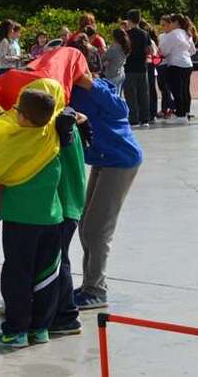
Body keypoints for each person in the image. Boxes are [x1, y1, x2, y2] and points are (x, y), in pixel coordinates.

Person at [0, 89, 61, 348]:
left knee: (17, 276)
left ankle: (16, 331)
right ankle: (40, 329)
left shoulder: (15, 140)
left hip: (20, 220)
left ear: (24, 117)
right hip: (51, 218)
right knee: (46, 275)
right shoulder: (53, 133)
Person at [70, 75, 143, 310]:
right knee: (86, 225)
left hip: (120, 160)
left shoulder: (95, 87)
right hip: (103, 159)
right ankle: (89, 284)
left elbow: (121, 110)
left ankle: (96, 290)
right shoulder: (66, 90)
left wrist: (90, 85)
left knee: (98, 229)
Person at [50, 111, 88, 336]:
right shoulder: (66, 119)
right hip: (69, 201)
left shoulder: (58, 126)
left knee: (58, 259)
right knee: (58, 257)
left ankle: (66, 316)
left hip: (62, 205)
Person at [159, 14, 197, 124]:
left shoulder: (173, 34)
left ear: (175, 22)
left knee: (177, 91)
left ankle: (180, 116)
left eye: (171, 22)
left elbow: (164, 51)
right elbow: (193, 51)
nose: (169, 24)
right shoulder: (186, 33)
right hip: (187, 64)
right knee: (185, 90)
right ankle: (185, 112)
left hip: (176, 64)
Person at [122, 9, 153, 127]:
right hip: (142, 67)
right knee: (143, 94)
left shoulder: (126, 34)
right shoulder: (145, 34)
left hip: (129, 67)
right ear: (139, 19)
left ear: (129, 20)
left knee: (131, 95)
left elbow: (123, 51)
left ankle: (134, 119)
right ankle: (145, 119)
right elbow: (150, 50)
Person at [155, 16, 176, 119]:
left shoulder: (174, 35)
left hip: (170, 64)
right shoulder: (161, 36)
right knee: (163, 88)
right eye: (161, 25)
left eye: (164, 25)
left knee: (167, 88)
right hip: (161, 64)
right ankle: (167, 108)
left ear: (170, 24)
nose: (162, 27)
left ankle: (170, 108)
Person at [102, 28, 130, 95]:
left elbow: (102, 58)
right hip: (121, 72)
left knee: (112, 96)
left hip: (112, 75)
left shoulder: (113, 48)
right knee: (118, 95)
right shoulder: (124, 46)